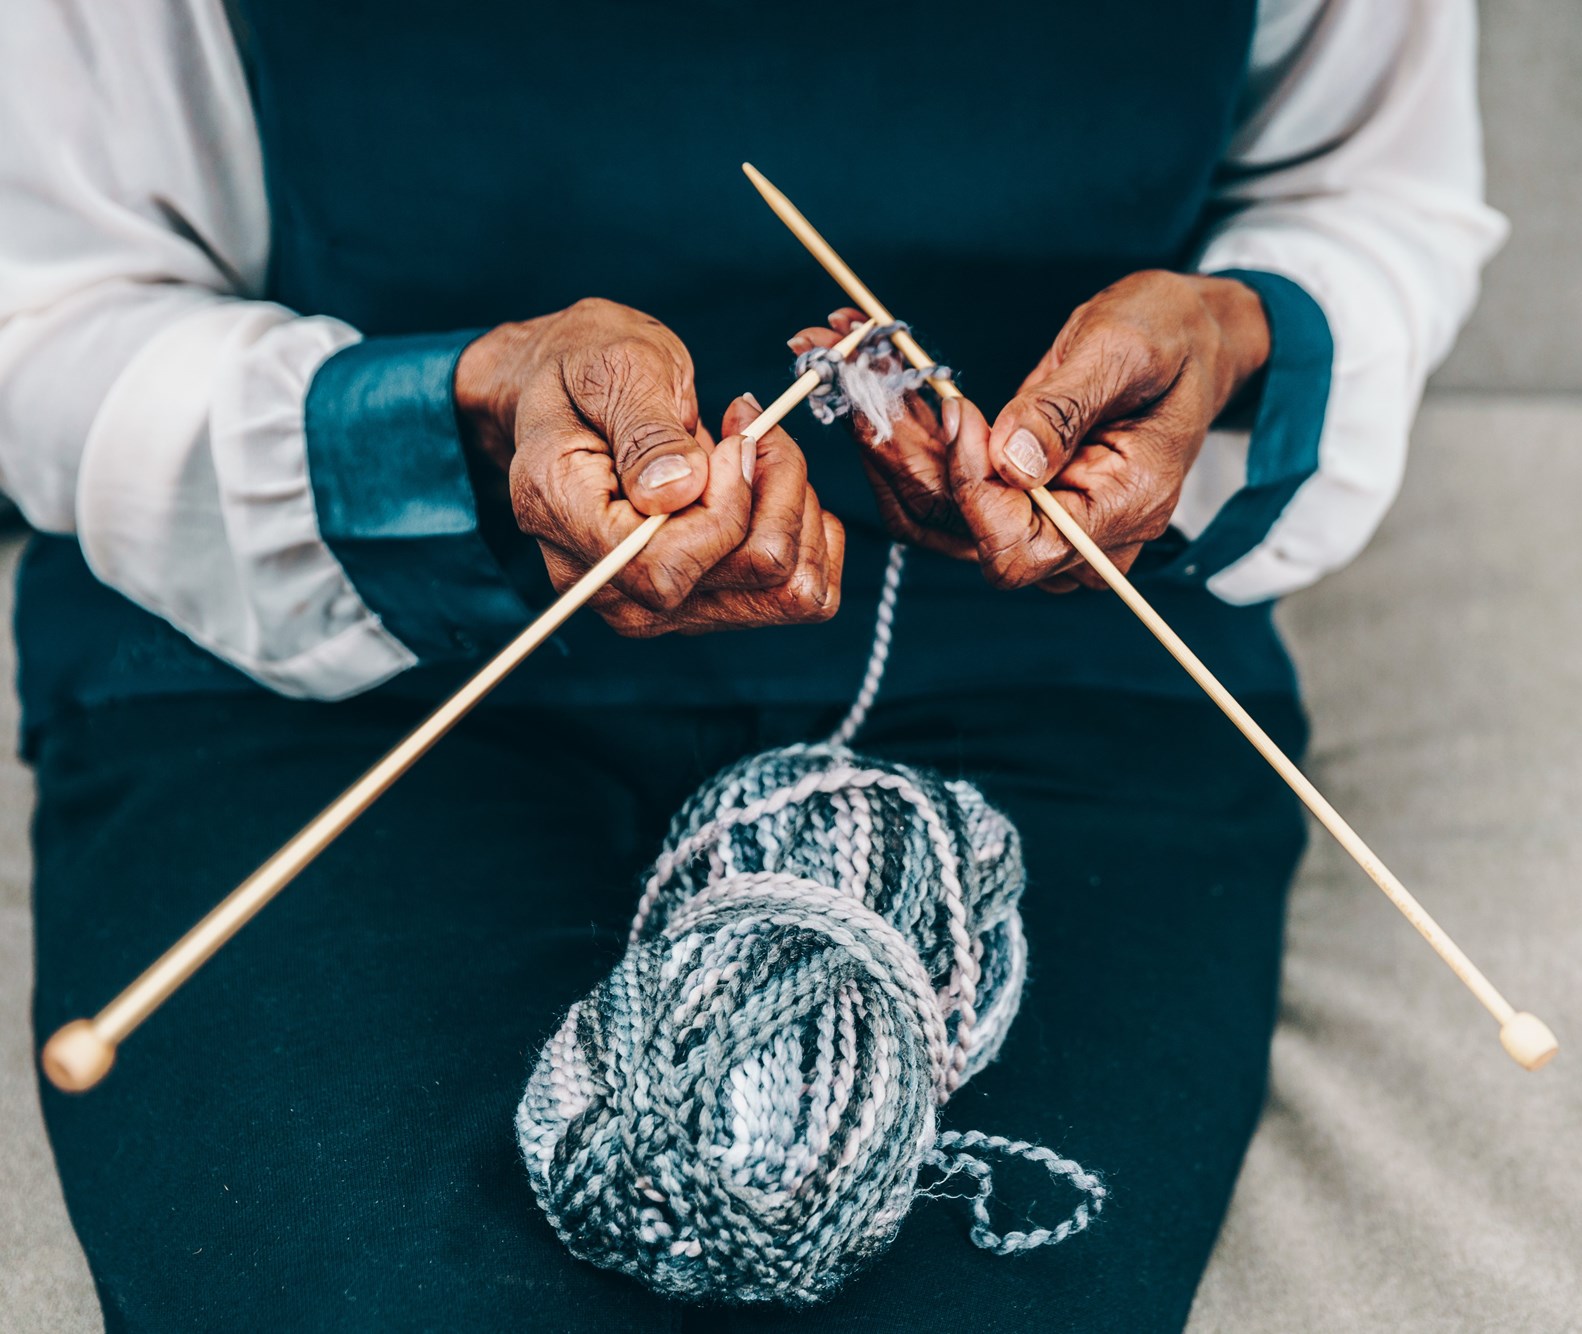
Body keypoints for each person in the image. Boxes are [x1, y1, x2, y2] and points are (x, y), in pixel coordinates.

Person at [0, 0, 1505, 1328]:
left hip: (1062, 650)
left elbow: (1361, 188)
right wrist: (452, 417)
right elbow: (56, 293)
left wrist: (1236, 339)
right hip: (318, 650)